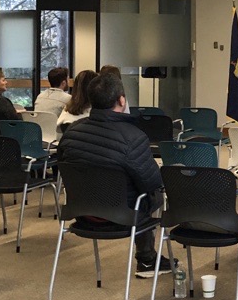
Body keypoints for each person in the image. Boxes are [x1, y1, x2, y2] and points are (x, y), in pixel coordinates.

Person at [56, 72, 171, 276]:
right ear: (121, 100)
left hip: (82, 213)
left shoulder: (71, 133)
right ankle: (147, 259)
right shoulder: (134, 138)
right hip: (120, 216)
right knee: (153, 193)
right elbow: (152, 182)